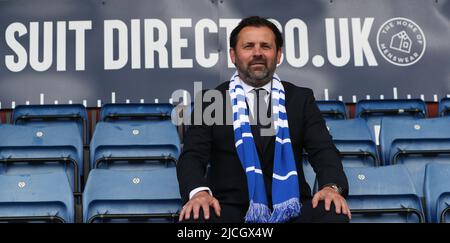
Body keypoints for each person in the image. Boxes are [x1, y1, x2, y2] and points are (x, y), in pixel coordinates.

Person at [176, 16, 350, 223]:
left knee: (333, 213)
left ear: (278, 55)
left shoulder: (299, 98)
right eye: (248, 46)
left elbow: (324, 150)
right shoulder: (211, 100)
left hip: (291, 209)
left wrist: (331, 187)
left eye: (265, 46)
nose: (257, 53)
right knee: (195, 219)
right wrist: (199, 194)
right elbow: (192, 155)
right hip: (232, 210)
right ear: (233, 55)